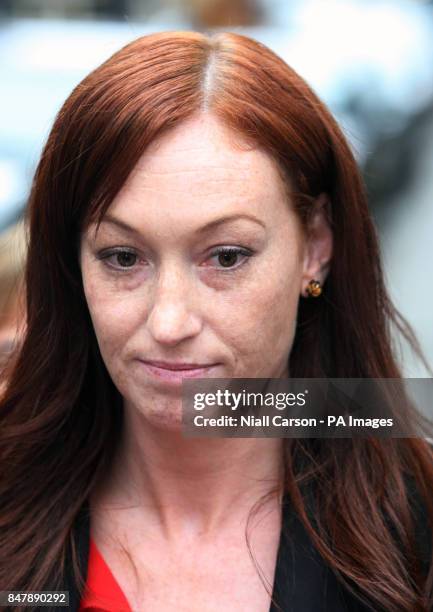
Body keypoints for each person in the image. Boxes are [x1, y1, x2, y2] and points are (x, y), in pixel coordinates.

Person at [0, 31, 432, 612]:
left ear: (316, 245)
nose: (169, 320)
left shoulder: (414, 524)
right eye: (123, 257)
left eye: (226, 256)